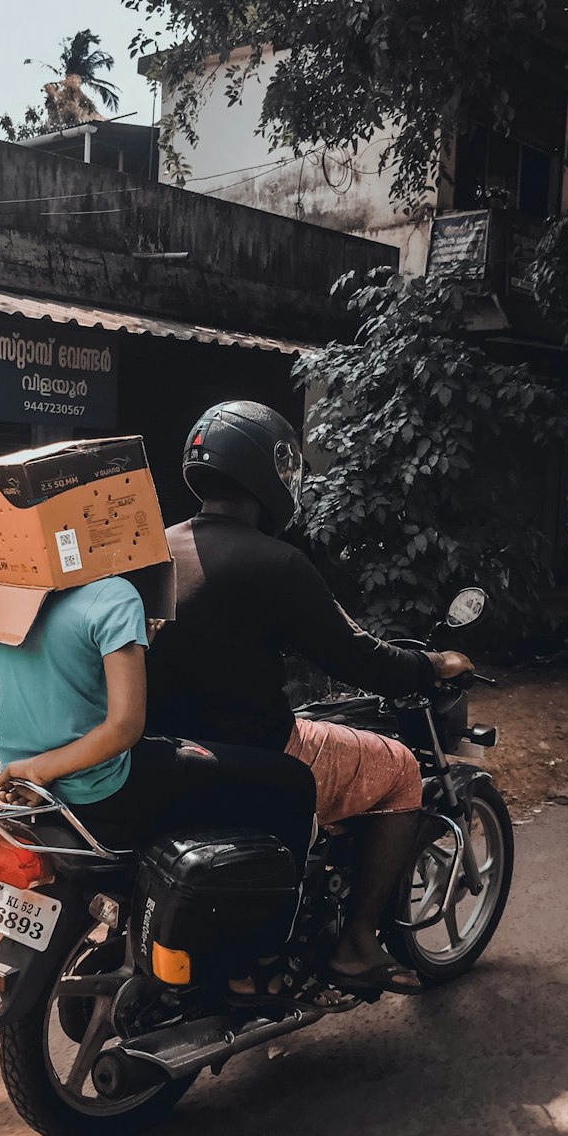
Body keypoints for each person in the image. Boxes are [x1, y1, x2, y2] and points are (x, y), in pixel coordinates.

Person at [146, 400, 474, 996]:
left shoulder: (153, 549)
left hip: (161, 752)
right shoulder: (278, 565)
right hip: (256, 750)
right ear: (274, 473)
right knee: (399, 768)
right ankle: (355, 947)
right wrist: (430, 665)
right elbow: (361, 659)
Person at [0, 572, 317, 995]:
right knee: (291, 780)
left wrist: (35, 769)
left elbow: (60, 686)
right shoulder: (114, 593)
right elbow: (125, 727)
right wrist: (43, 769)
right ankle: (267, 958)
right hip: (100, 788)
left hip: (30, 789)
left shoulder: (9, 591)